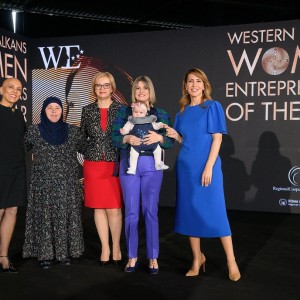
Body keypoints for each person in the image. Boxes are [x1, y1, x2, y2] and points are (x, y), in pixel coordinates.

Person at [164, 68, 241, 281]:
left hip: (208, 167)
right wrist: (175, 135)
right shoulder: (182, 112)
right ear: (185, 86)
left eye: (198, 81)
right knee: (191, 214)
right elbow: (185, 141)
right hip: (186, 168)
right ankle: (197, 259)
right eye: (190, 81)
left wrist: (209, 167)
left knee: (217, 213)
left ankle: (231, 261)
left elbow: (217, 139)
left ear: (204, 85)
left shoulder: (212, 107)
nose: (194, 85)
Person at [111, 75, 173, 274]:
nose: (141, 91)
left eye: (145, 88)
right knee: (131, 212)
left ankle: (153, 257)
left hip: (152, 166)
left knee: (150, 211)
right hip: (129, 163)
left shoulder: (160, 113)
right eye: (137, 88)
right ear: (134, 91)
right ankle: (132, 256)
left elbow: (170, 141)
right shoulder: (123, 111)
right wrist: (126, 137)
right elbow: (114, 137)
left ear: (150, 91)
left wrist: (160, 137)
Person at [22, 96, 84, 269]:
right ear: (43, 110)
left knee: (66, 217)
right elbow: (18, 149)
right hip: (43, 185)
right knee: (45, 217)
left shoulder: (72, 131)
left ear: (62, 111)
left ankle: (65, 254)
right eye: (50, 108)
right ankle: (45, 255)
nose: (54, 111)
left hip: (67, 185)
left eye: (57, 107)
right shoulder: (34, 131)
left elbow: (88, 149)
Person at [80, 71, 123, 265]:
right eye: (99, 85)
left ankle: (116, 246)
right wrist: (90, 149)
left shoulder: (123, 110)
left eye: (106, 85)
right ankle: (105, 248)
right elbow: (81, 137)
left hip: (114, 163)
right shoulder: (87, 110)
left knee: (114, 208)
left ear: (112, 88)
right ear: (94, 89)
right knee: (98, 208)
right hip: (93, 165)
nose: (102, 88)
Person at [0, 78, 26, 273]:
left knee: (12, 212)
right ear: (1, 89)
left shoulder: (18, 114)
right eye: (11, 87)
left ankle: (4, 257)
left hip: (16, 168)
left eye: (18, 89)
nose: (14, 92)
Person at [120, 101, 169, 174]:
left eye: (141, 112)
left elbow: (156, 126)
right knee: (133, 154)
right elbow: (126, 129)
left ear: (146, 113)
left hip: (150, 143)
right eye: (135, 112)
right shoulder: (131, 122)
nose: (138, 114)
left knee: (158, 150)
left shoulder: (150, 120)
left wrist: (161, 125)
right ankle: (132, 168)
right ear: (132, 112)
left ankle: (158, 164)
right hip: (137, 144)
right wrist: (123, 131)